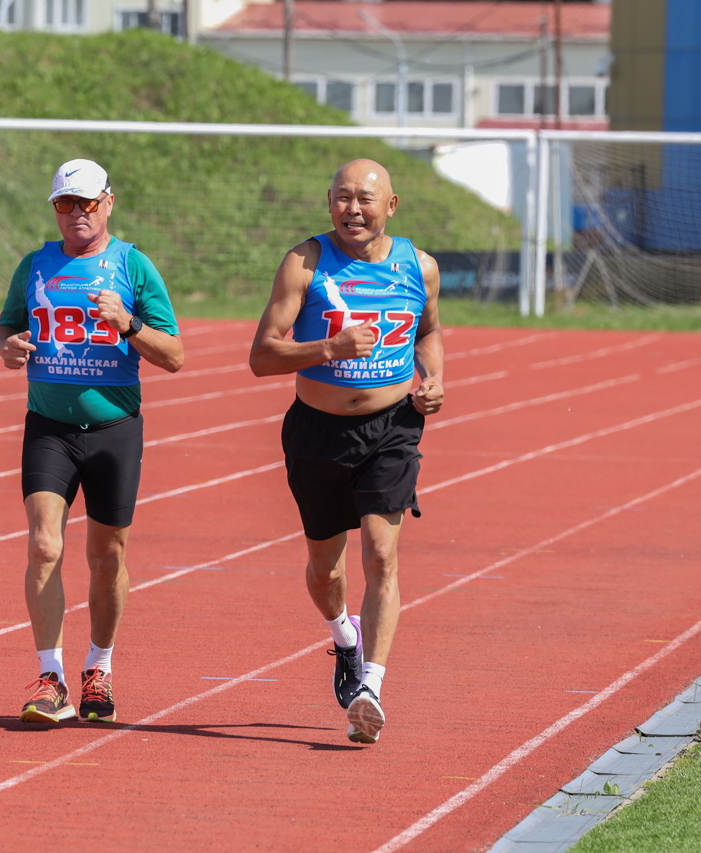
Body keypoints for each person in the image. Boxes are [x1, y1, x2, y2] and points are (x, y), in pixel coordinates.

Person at [248, 159, 444, 745]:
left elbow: (429, 330)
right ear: (328, 202)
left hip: (393, 428)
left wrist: (431, 378)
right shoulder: (305, 262)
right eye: (341, 198)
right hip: (317, 432)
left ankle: (371, 688)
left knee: (381, 554)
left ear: (392, 205)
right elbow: (262, 356)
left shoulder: (420, 266)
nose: (352, 209)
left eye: (365, 199)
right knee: (325, 570)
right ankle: (344, 637)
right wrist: (329, 347)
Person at [0, 158, 184, 724]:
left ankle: (98, 667)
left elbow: (174, 356)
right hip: (48, 428)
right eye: (64, 204)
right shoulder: (35, 265)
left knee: (107, 557)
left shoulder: (133, 265)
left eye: (86, 203)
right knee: (44, 545)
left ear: (108, 203)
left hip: (114, 431)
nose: (76, 213)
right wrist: (6, 347)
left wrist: (128, 322)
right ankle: (50, 677)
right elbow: (6, 326)